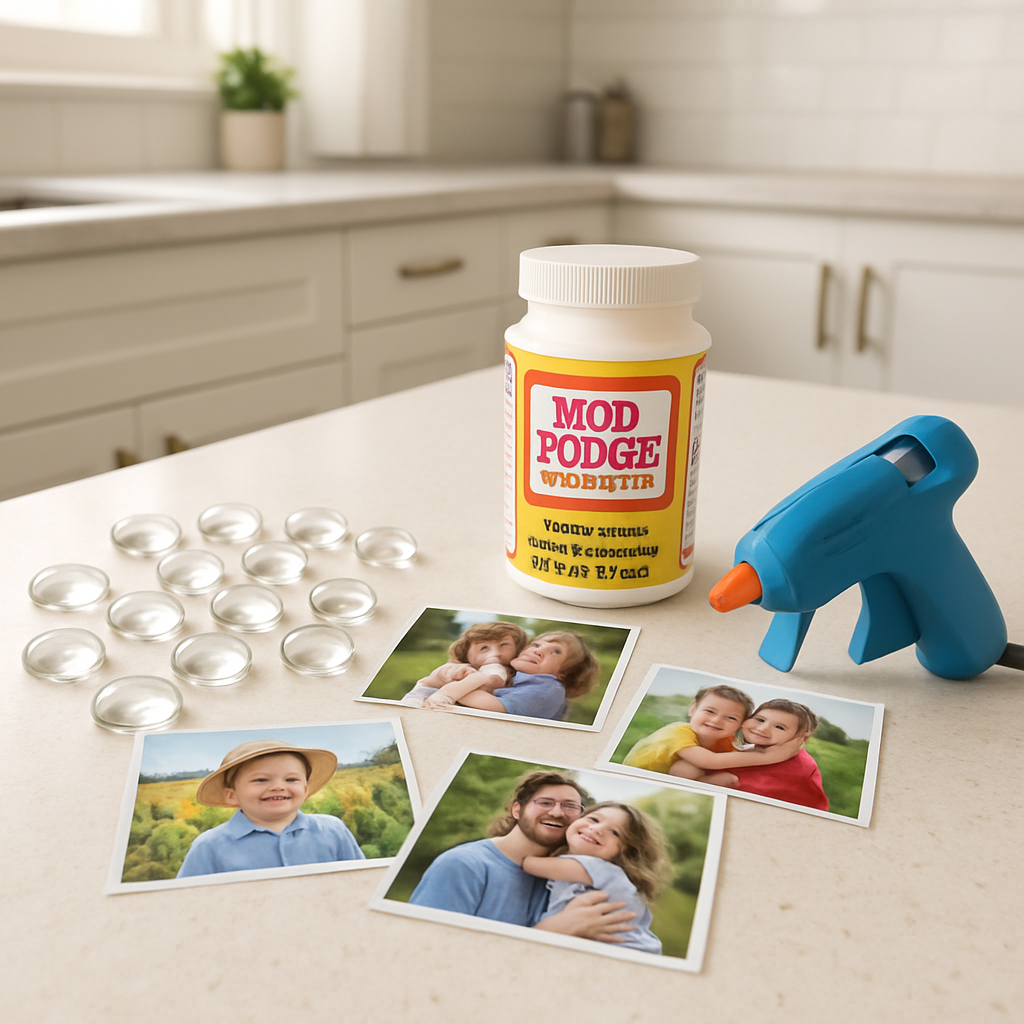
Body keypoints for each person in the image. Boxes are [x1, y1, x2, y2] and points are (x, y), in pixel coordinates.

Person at [407, 770, 636, 942]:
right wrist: (550, 932)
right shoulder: (463, 865)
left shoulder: (566, 879)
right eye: (545, 803)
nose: (557, 812)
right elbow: (425, 950)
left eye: (570, 806)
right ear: (517, 810)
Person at [176, 739, 365, 878]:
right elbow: (186, 899)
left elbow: (362, 879)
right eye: (261, 780)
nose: (278, 787)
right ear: (232, 795)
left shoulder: (332, 830)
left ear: (305, 790)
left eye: (291, 779)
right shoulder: (209, 846)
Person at [523, 801, 669, 955]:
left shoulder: (599, 868)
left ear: (624, 852)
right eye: (594, 819)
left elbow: (528, 864)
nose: (597, 829)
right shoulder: (599, 874)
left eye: (615, 833)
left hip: (627, 952)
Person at [623, 684, 804, 785]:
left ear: (740, 725)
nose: (717, 720)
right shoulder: (676, 732)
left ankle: (698, 780)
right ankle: (702, 782)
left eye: (730, 718)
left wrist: (762, 749)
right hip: (635, 776)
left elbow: (733, 756)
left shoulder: (725, 739)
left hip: (667, 773)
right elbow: (710, 761)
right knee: (693, 767)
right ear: (693, 709)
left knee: (688, 768)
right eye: (709, 711)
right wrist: (768, 757)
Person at [434, 631, 601, 721]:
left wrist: (461, 681)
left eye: (555, 651)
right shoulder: (520, 678)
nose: (538, 650)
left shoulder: (548, 690)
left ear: (563, 674)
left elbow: (490, 706)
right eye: (536, 644)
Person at [400, 621, 529, 708]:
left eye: (504, 645)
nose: (496, 653)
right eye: (484, 648)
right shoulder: (458, 667)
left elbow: (494, 681)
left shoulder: (509, 672)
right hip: (421, 696)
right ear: (466, 654)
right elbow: (437, 677)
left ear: (518, 649)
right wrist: (452, 674)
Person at [729, 699, 830, 811]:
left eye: (779, 727)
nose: (762, 729)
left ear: (801, 738)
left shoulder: (798, 766)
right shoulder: (757, 748)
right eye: (760, 719)